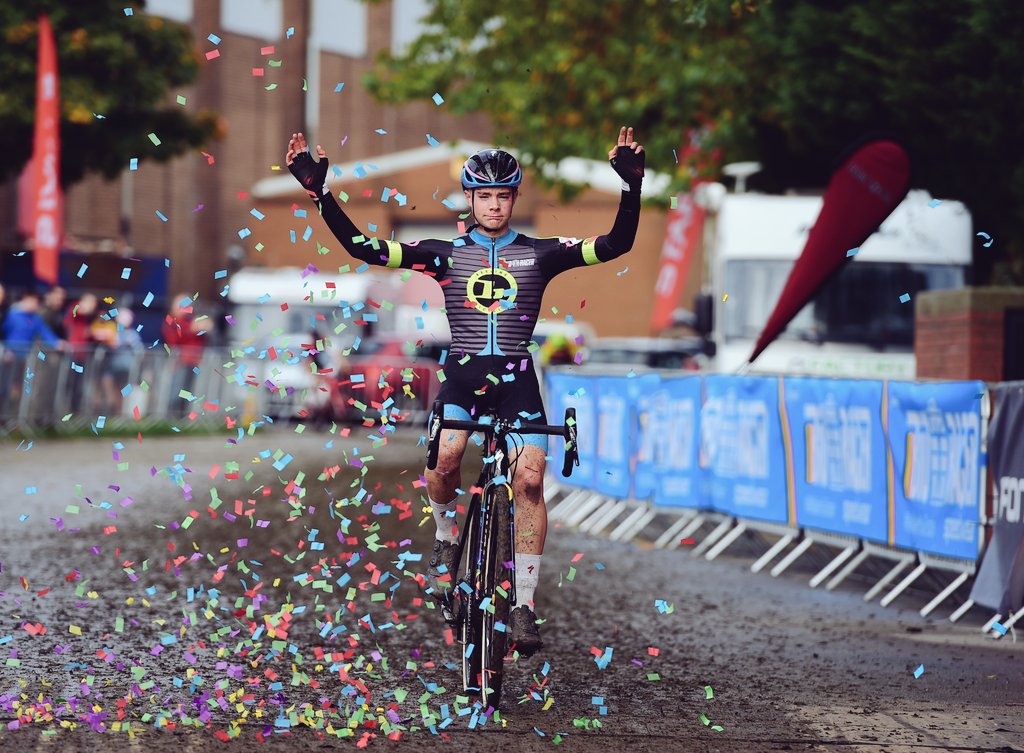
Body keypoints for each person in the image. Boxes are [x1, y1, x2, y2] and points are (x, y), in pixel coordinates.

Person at [286, 126, 645, 656]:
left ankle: (523, 605)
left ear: (514, 198)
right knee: (448, 458)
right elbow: (363, 247)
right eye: (485, 196)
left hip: (518, 381)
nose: (495, 205)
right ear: (471, 200)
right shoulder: (442, 253)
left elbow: (616, 244)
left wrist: (631, 188)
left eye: (503, 196)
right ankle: (446, 539)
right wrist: (322, 195)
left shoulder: (542, 253)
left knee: (528, 480)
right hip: (464, 377)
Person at [162, 293, 206, 417]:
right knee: (176, 391)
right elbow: (174, 338)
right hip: (179, 361)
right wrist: (192, 330)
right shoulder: (171, 320)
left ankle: (181, 419)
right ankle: (171, 418)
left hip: (193, 362)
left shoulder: (191, 321)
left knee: (187, 392)